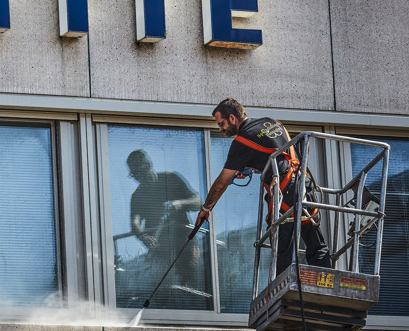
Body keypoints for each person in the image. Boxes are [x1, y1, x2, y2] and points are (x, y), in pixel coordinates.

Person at [195, 98, 330, 276]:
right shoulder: (271, 122)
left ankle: (285, 295)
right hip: (302, 185)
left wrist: (206, 208)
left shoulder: (241, 142)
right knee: (315, 243)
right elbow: (277, 155)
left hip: (284, 195)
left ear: (232, 118)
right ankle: (327, 279)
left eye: (222, 124)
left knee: (284, 251)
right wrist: (254, 168)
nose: (220, 129)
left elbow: (221, 183)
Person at [124, 149, 206, 307]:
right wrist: (143, 236)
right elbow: (135, 222)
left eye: (139, 172)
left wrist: (178, 204)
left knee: (190, 285)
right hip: (160, 249)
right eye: (134, 175)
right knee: (163, 290)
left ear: (148, 165)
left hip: (185, 245)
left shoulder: (171, 178)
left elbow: (198, 202)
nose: (138, 178)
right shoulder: (138, 195)